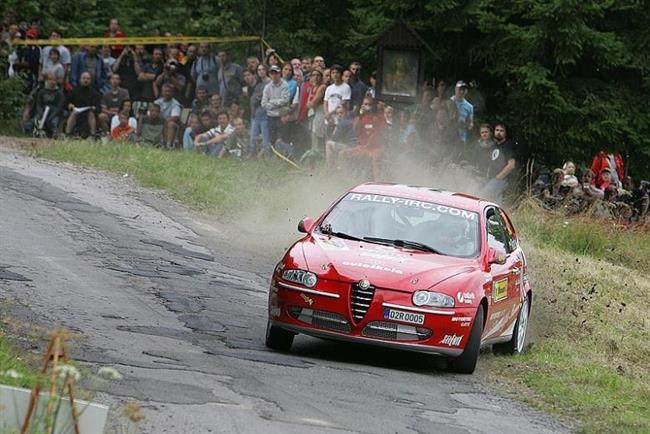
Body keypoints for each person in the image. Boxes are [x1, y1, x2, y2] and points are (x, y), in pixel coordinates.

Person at [339, 97, 386, 180]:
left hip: (376, 148)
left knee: (376, 158)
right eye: (365, 104)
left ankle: (377, 182)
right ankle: (346, 180)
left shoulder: (379, 117)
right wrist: (360, 115)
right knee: (342, 154)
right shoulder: (361, 118)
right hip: (362, 147)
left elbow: (383, 131)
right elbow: (355, 130)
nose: (367, 106)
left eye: (369, 104)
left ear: (373, 106)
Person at [480, 122, 516, 202]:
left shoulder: (508, 146)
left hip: (501, 180)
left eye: (501, 130)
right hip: (489, 178)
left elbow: (511, 165)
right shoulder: (494, 146)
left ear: (505, 133)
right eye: (497, 130)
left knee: (482, 196)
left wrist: (497, 178)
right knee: (493, 203)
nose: (499, 132)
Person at [23, 73, 65, 138]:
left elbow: (59, 107)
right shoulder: (42, 92)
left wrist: (51, 116)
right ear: (47, 81)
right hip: (42, 111)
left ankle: (55, 134)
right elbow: (38, 104)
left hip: (54, 113)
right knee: (36, 120)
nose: (52, 82)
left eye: (54, 80)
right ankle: (29, 131)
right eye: (50, 80)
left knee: (54, 122)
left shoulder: (59, 93)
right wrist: (41, 113)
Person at [261, 64, 290, 147]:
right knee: (272, 137)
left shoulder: (285, 85)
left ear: (279, 74)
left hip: (281, 116)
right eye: (272, 73)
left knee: (282, 137)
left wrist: (271, 102)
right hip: (270, 116)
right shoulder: (267, 87)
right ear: (269, 75)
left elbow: (285, 100)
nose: (274, 75)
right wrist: (276, 103)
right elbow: (263, 104)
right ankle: (273, 155)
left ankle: (282, 154)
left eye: (276, 73)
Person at [65, 72, 101, 138]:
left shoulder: (94, 93)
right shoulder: (74, 91)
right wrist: (70, 105)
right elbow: (67, 103)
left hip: (89, 112)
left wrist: (94, 108)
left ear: (90, 81)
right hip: (76, 111)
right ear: (80, 79)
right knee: (74, 113)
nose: (85, 80)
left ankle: (92, 134)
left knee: (91, 113)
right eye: (84, 78)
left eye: (88, 79)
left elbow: (98, 107)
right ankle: (68, 133)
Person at [249, 65, 270, 156]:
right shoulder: (258, 83)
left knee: (266, 137)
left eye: (263, 69)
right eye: (259, 70)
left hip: (265, 113)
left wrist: (255, 99)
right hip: (256, 113)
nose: (261, 71)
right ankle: (252, 154)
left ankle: (267, 156)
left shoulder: (269, 83)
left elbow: (259, 97)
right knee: (253, 137)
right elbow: (253, 98)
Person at [153, 83, 182, 148]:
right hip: (158, 122)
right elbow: (151, 113)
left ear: (172, 93)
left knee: (171, 123)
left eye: (169, 91)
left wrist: (162, 121)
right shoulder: (157, 102)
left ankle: (168, 145)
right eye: (165, 91)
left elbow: (175, 118)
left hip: (169, 125)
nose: (167, 93)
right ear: (162, 92)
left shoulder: (175, 104)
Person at [306, 69, 326, 150]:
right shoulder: (312, 88)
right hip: (312, 113)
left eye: (318, 75)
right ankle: (314, 153)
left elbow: (313, 103)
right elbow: (308, 104)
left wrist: (311, 103)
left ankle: (319, 153)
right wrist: (311, 103)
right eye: (313, 75)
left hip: (320, 112)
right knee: (313, 134)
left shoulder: (322, 87)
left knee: (318, 133)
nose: (315, 77)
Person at [450, 80, 474, 147]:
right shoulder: (448, 102)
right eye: (460, 89)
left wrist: (466, 125)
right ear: (455, 89)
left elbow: (471, 124)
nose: (462, 91)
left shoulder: (470, 107)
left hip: (461, 138)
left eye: (464, 89)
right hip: (448, 136)